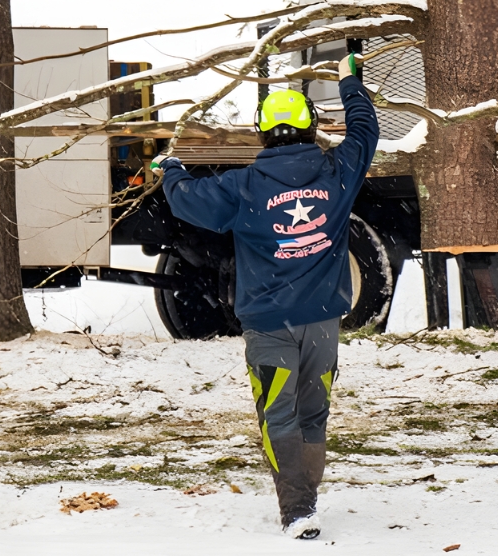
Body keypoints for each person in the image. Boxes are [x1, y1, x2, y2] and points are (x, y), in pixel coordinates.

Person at [153, 55, 379, 539]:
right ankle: (307, 500)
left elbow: (186, 200)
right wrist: (349, 81)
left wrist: (169, 168)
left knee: (278, 413)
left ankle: (296, 510)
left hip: (267, 322)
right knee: (313, 412)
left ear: (262, 131)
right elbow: (365, 130)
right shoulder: (338, 173)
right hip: (323, 320)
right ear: (311, 127)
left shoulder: (242, 186)